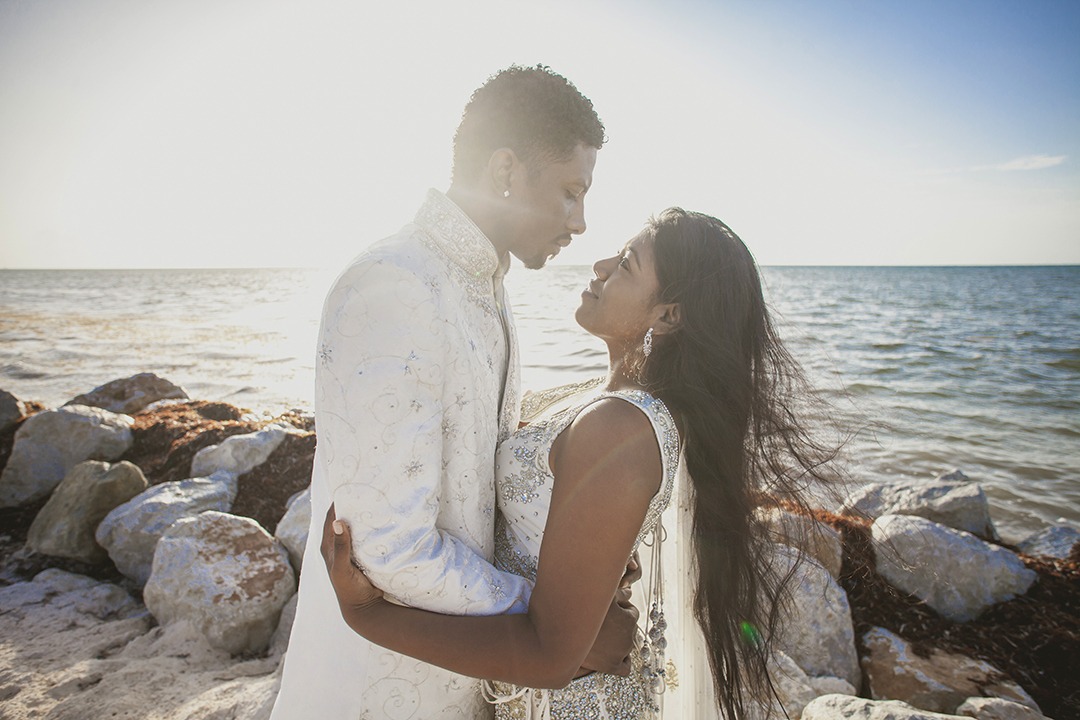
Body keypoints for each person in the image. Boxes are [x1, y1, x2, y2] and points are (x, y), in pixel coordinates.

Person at [320, 208, 840, 718]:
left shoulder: (622, 427)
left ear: (669, 314)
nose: (601, 265)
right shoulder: (592, 400)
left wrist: (367, 614)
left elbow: (549, 658)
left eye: (628, 263)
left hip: (572, 705)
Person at [271, 65, 641, 720]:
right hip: (380, 685)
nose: (581, 222)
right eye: (568, 192)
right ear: (505, 170)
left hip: (467, 669)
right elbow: (386, 550)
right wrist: (562, 621)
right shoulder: (395, 282)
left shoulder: (486, 290)